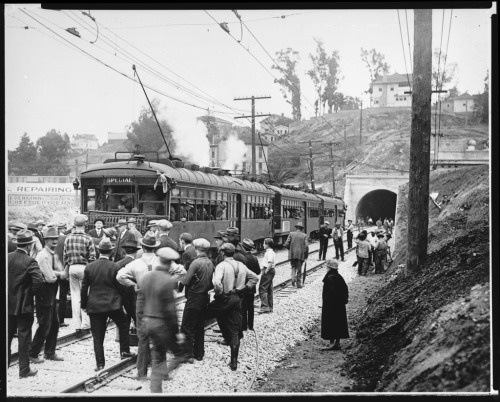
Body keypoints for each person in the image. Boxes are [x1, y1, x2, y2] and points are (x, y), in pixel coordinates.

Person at [81, 238, 135, 371]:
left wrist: (84, 305)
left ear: (99, 251)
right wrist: (123, 303)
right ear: (111, 252)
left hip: (95, 306)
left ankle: (100, 364)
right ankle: (124, 351)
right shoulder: (115, 266)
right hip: (113, 305)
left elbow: (84, 288)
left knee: (97, 336)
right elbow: (121, 287)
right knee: (123, 324)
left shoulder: (89, 267)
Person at [141, 247, 188, 393]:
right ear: (169, 263)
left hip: (146, 321)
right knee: (180, 355)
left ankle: (156, 390)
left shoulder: (147, 277)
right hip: (161, 324)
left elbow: (142, 301)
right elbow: (170, 311)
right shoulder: (167, 281)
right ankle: (159, 379)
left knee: (158, 353)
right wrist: (176, 334)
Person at [206, 243, 259, 371]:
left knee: (203, 314)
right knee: (234, 329)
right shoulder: (241, 265)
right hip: (237, 299)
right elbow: (255, 277)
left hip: (225, 298)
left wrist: (220, 294)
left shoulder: (221, 266)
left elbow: (217, 282)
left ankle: (192, 349)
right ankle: (234, 362)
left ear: (223, 253)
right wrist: (244, 288)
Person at [116, 232, 160, 381]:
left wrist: (134, 284)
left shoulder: (135, 263)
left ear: (142, 247)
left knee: (143, 337)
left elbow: (120, 276)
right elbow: (181, 272)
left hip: (142, 298)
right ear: (155, 247)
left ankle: (141, 373)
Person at [8, 230, 44, 378]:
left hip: (6, 304)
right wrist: (30, 295)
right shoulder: (30, 261)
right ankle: (24, 370)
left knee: (6, 336)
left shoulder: (7, 257)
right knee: (24, 338)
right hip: (23, 306)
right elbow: (38, 281)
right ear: (30, 246)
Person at [29, 227, 66, 364]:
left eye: (56, 238)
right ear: (46, 240)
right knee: (45, 324)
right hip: (44, 292)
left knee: (54, 323)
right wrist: (59, 274)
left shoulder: (53, 254)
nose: (55, 241)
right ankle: (32, 353)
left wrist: (58, 273)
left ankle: (49, 352)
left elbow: (59, 271)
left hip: (51, 292)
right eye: (52, 239)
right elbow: (51, 277)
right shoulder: (43, 255)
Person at [179, 239, 215, 363]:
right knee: (200, 326)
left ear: (196, 248)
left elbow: (186, 281)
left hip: (194, 297)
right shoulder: (210, 263)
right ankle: (199, 353)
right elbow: (212, 283)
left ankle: (187, 355)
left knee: (187, 326)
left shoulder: (195, 263)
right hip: (204, 297)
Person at [64, 214, 96, 333]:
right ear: (85, 225)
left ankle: (76, 323)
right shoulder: (88, 238)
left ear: (74, 225)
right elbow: (92, 257)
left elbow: (65, 256)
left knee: (75, 295)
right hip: (84, 268)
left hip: (72, 267)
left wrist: (66, 270)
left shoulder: (68, 238)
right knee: (85, 295)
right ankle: (86, 323)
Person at [320, 259, 349, 351]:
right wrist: (343, 300)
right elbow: (345, 289)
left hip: (331, 305)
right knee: (338, 322)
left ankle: (332, 343)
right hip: (339, 305)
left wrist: (330, 302)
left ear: (329, 267)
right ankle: (337, 342)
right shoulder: (339, 276)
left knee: (331, 322)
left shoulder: (329, 278)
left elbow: (331, 292)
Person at [116, 240, 142, 333]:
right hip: (135, 293)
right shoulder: (138, 264)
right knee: (136, 316)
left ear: (124, 251)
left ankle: (123, 337)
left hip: (122, 294)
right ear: (136, 251)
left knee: (123, 318)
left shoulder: (118, 264)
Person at [240, 239, 261, 328]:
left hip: (243, 285)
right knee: (250, 306)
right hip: (251, 286)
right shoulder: (254, 258)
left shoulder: (242, 258)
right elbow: (258, 272)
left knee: (243, 306)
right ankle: (251, 325)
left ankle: (244, 325)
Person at [55, 223, 71, 327]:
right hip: (64, 270)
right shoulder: (68, 239)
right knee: (63, 296)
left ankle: (53, 319)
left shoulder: (55, 239)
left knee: (53, 295)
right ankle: (61, 320)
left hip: (54, 270)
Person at [283, 222, 309, 288]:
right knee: (299, 269)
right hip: (300, 255)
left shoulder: (291, 234)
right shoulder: (304, 235)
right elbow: (306, 247)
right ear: (302, 229)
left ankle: (293, 280)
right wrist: (306, 256)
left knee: (293, 267)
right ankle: (298, 283)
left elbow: (286, 244)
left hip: (292, 254)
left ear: (296, 228)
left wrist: (291, 249)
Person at [258, 238, 276, 314]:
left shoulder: (269, 253)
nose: (263, 245)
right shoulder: (270, 252)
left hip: (268, 271)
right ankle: (270, 307)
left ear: (267, 245)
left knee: (262, 288)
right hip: (270, 271)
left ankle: (265, 307)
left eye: (264, 243)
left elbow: (270, 263)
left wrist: (265, 272)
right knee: (269, 289)